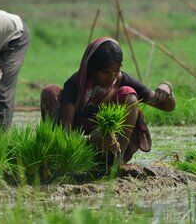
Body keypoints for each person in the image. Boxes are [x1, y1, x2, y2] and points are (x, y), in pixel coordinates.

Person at [40, 37, 175, 164]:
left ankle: (117, 159)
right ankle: (56, 154)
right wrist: (91, 141)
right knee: (50, 91)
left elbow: (166, 106)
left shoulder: (122, 80)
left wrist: (167, 87)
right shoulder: (76, 84)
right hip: (79, 145)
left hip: (111, 145)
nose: (112, 77)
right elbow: (66, 130)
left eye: (116, 71)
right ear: (93, 69)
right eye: (105, 72)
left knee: (129, 95)